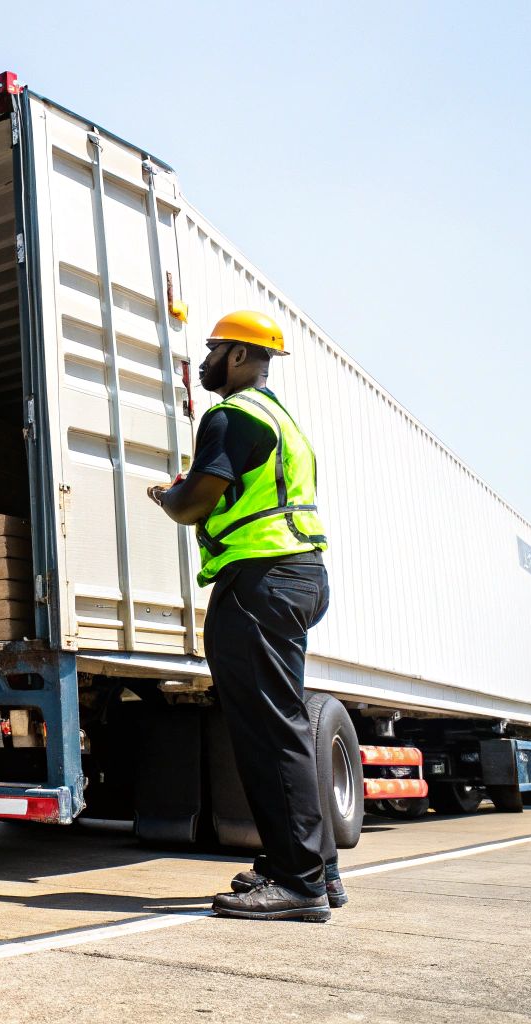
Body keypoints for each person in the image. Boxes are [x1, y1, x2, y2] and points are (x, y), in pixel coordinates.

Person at [146, 309, 339, 923]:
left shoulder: (231, 415)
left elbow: (192, 505)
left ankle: (298, 884)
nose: (204, 362)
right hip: (299, 576)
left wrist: (168, 495)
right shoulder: (282, 419)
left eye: (211, 351)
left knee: (267, 733)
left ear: (235, 355)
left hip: (259, 581)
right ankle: (317, 869)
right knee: (286, 726)